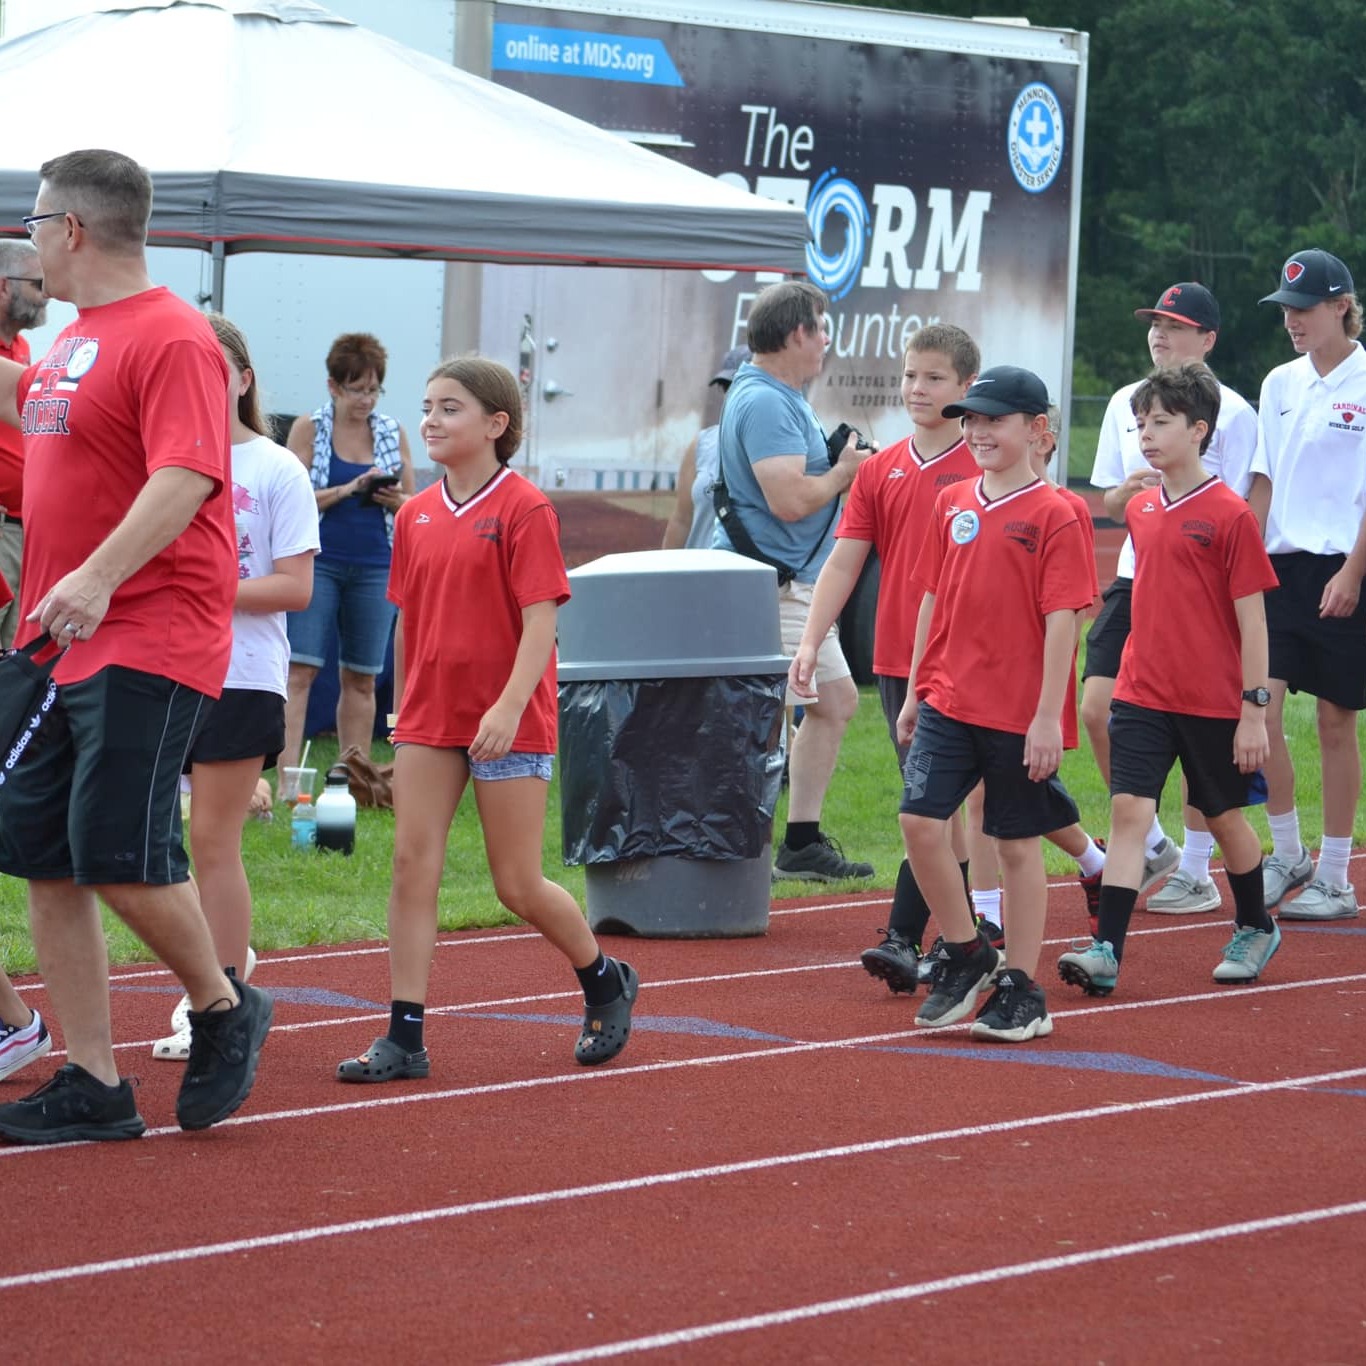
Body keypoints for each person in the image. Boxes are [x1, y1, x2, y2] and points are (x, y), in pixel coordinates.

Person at [0, 147, 272, 1143]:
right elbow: (43, 429)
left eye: (31, 222)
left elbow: (187, 476)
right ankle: (94, 1080)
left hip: (144, 633)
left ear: (72, 228)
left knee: (115, 854)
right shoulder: (77, 340)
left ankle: (221, 1004)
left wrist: (99, 575)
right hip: (52, 641)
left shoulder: (173, 336)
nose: (24, 241)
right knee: (43, 857)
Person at [336, 357, 638, 1082]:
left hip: (508, 719)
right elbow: (406, 621)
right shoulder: (413, 514)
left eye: (450, 408)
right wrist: (403, 704)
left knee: (516, 883)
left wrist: (506, 707)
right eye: (428, 406)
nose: (431, 421)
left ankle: (603, 977)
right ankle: (404, 1037)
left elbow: (541, 625)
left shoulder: (524, 507)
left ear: (496, 425)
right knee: (412, 868)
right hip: (430, 720)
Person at [1058, 362, 1281, 995]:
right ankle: (1107, 951)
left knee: (1227, 818)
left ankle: (1255, 924)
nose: (1146, 435)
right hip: (1141, 692)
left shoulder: (1231, 515)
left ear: (1198, 429)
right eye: (1140, 424)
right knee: (1130, 813)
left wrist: (1254, 710)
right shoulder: (1144, 509)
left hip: (1212, 700)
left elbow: (1254, 623)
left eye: (1160, 422)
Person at [897, 366, 1094, 1042]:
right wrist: (920, 686)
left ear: (1038, 431)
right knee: (920, 822)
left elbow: (1064, 618)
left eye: (994, 419)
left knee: (1014, 845)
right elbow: (932, 596)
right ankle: (969, 952)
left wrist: (1046, 715)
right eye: (971, 419)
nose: (977, 430)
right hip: (948, 696)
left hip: (1016, 712)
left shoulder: (1057, 512)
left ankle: (1023, 987)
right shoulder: (952, 501)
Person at [790, 323, 981, 987]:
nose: (916, 388)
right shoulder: (880, 469)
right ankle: (961, 937)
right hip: (899, 661)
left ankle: (910, 937)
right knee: (937, 808)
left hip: (964, 662)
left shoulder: (984, 469)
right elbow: (844, 562)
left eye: (932, 377)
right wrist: (811, 640)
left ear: (965, 387)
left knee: (933, 804)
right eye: (909, 375)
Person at [153, 314, 320, 1061]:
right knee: (148, 848)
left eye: (212, 366)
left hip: (240, 675)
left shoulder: (275, 468)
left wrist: (201, 585)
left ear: (243, 379)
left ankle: (217, 997)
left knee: (210, 841)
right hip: (159, 668)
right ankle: (222, 972)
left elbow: (295, 587)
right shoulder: (155, 458)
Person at [1082, 284, 1259, 909]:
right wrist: (1130, 495)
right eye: (1155, 323)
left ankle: (1200, 867)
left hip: (1200, 587)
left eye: (1175, 325)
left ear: (1207, 339)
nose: (1159, 333)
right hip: (1136, 575)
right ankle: (1152, 842)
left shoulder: (1234, 411)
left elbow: (1236, 505)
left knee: (1197, 737)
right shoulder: (1123, 402)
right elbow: (1110, 502)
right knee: (1096, 707)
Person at [714, 280, 876, 882]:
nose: (827, 341)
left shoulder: (777, 394)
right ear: (797, 333)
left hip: (788, 583)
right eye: (822, 328)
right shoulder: (765, 400)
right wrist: (843, 472)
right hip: (771, 587)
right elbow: (787, 499)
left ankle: (799, 842)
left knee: (833, 702)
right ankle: (729, 845)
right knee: (754, 717)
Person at [1248, 248, 1366, 921]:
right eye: (1286, 310)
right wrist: (1246, 559)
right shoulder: (1280, 383)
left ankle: (1336, 875)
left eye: (1304, 309)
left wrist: (1353, 571)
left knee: (1334, 720)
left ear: (1341, 306)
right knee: (1260, 711)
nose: (1292, 320)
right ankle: (1287, 852)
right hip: (1280, 565)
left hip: (1345, 564)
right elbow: (1264, 477)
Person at [962, 406, 1108, 938]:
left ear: (1041, 440)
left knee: (1014, 795)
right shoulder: (974, 502)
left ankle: (1092, 864)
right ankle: (989, 915)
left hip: (1033, 677)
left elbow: (1077, 606)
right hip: (979, 676)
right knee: (983, 795)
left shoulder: (1064, 508)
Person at [280, 332, 414, 782]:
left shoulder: (393, 433)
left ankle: (353, 778)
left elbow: (412, 504)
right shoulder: (309, 428)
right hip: (318, 561)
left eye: (374, 390)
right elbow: (292, 499)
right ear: (333, 387)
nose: (367, 400)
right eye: (357, 389)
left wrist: (391, 497)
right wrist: (350, 490)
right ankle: (284, 781)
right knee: (300, 671)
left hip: (377, 564)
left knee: (362, 676)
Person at [0, 240, 48, 649]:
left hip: (21, 529)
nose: (46, 293)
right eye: (37, 283)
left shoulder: (21, 348)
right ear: (3, 287)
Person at [662, 344, 749, 550]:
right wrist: (663, 576)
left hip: (746, 578)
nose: (730, 394)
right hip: (698, 576)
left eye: (740, 385)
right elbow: (681, 519)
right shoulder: (701, 445)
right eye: (726, 387)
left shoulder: (776, 450)